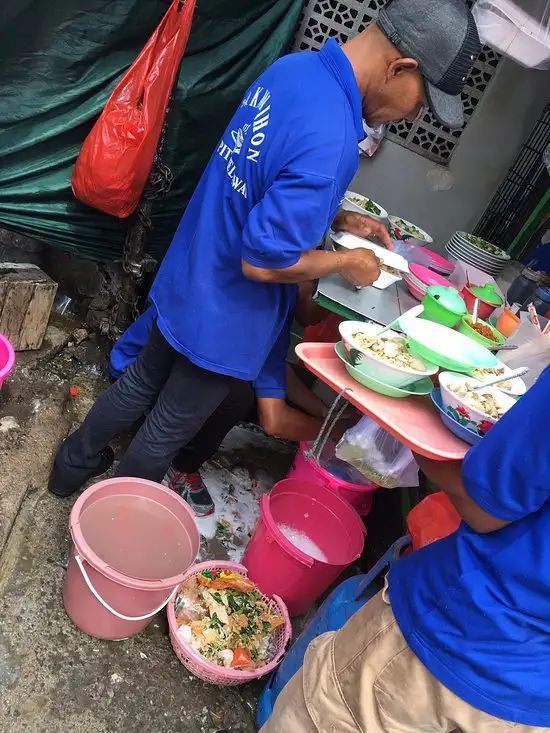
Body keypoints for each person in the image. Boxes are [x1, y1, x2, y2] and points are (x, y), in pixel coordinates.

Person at [47, 0, 450, 498]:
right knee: (167, 428)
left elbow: (260, 177)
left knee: (138, 385)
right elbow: (263, 261)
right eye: (422, 102)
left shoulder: (293, 70)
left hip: (190, 271)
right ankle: (108, 527)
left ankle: (69, 467)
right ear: (401, 67)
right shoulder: (333, 142)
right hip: (228, 315)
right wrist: (349, 259)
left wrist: (336, 218)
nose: (413, 115)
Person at [261, 360, 550, 732]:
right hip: (530, 705)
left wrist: (415, 421)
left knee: (319, 715)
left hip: (459, 635)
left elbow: (484, 508)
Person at [105, 284, 351, 516]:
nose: (326, 317)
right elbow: (274, 421)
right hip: (149, 378)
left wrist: (322, 412)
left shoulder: (271, 292)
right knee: (239, 393)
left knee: (244, 384)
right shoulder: (269, 311)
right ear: (308, 282)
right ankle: (179, 467)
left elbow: (274, 369)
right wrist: (335, 431)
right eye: (326, 303)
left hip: (142, 364)